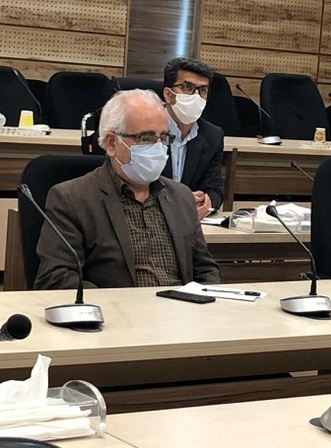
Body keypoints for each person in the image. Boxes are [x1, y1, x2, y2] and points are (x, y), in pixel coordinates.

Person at [35, 89, 221, 290]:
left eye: (164, 138)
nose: (159, 147)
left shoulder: (181, 196)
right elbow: (56, 278)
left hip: (181, 307)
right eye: (146, 138)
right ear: (112, 143)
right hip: (117, 307)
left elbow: (206, 270)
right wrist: (118, 305)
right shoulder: (72, 199)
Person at [161, 57, 224, 219]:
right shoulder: (145, 129)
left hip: (191, 223)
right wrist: (183, 201)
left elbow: (215, 189)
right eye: (188, 87)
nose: (196, 96)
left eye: (202, 90)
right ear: (168, 94)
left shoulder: (212, 136)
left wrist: (206, 202)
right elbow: (137, 185)